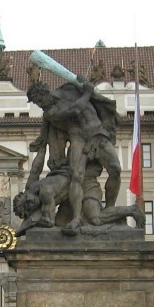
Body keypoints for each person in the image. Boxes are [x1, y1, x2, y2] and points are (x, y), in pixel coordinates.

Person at [27, 78, 122, 234]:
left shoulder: (70, 89)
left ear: (45, 93)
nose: (40, 105)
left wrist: (85, 85)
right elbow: (75, 109)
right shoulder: (50, 113)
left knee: (116, 170)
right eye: (37, 103)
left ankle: (110, 208)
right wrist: (87, 92)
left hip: (98, 134)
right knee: (76, 176)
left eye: (39, 100)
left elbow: (92, 100)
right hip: (78, 138)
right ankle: (76, 218)